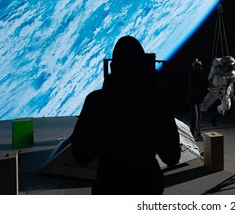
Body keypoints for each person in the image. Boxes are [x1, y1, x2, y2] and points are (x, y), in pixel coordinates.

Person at [70, 35, 181, 195]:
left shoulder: (95, 101)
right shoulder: (158, 103)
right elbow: (171, 156)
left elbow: (82, 156)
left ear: (113, 67)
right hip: (147, 187)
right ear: (143, 66)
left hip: (109, 187)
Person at [200, 55, 235, 124]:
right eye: (226, 69)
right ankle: (196, 112)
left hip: (224, 92)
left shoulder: (233, 70)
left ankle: (219, 112)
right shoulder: (216, 68)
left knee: (226, 106)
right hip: (214, 92)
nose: (227, 71)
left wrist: (233, 76)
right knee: (203, 108)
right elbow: (210, 80)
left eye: (229, 69)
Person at [187, 58, 206, 141]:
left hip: (193, 99)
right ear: (196, 67)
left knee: (194, 116)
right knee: (198, 117)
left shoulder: (193, 75)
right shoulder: (194, 77)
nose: (201, 68)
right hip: (195, 100)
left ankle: (192, 131)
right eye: (200, 66)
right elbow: (196, 89)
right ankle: (198, 134)